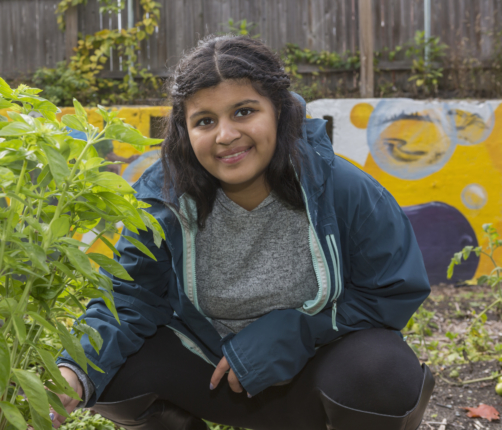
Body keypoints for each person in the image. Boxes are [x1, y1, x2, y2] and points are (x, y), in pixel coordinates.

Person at [53, 35, 434, 430]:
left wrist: (297, 330)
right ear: (184, 131)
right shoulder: (162, 201)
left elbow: (392, 291)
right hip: (213, 375)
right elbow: (130, 299)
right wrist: (72, 373)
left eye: (243, 111)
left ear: (279, 112)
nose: (225, 135)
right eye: (205, 121)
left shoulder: (342, 189)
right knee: (109, 371)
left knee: (385, 371)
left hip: (315, 374)